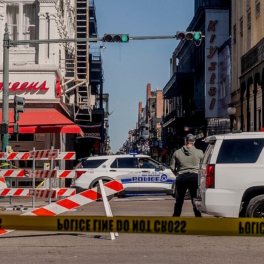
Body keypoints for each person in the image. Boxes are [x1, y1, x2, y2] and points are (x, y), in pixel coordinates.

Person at [170, 134, 204, 217]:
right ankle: (198, 217)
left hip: (181, 178)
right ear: (194, 142)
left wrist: (177, 173)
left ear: (185, 141)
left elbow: (172, 167)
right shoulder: (200, 153)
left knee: (179, 200)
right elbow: (203, 166)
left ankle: (176, 218)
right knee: (194, 199)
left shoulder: (177, 152)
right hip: (194, 178)